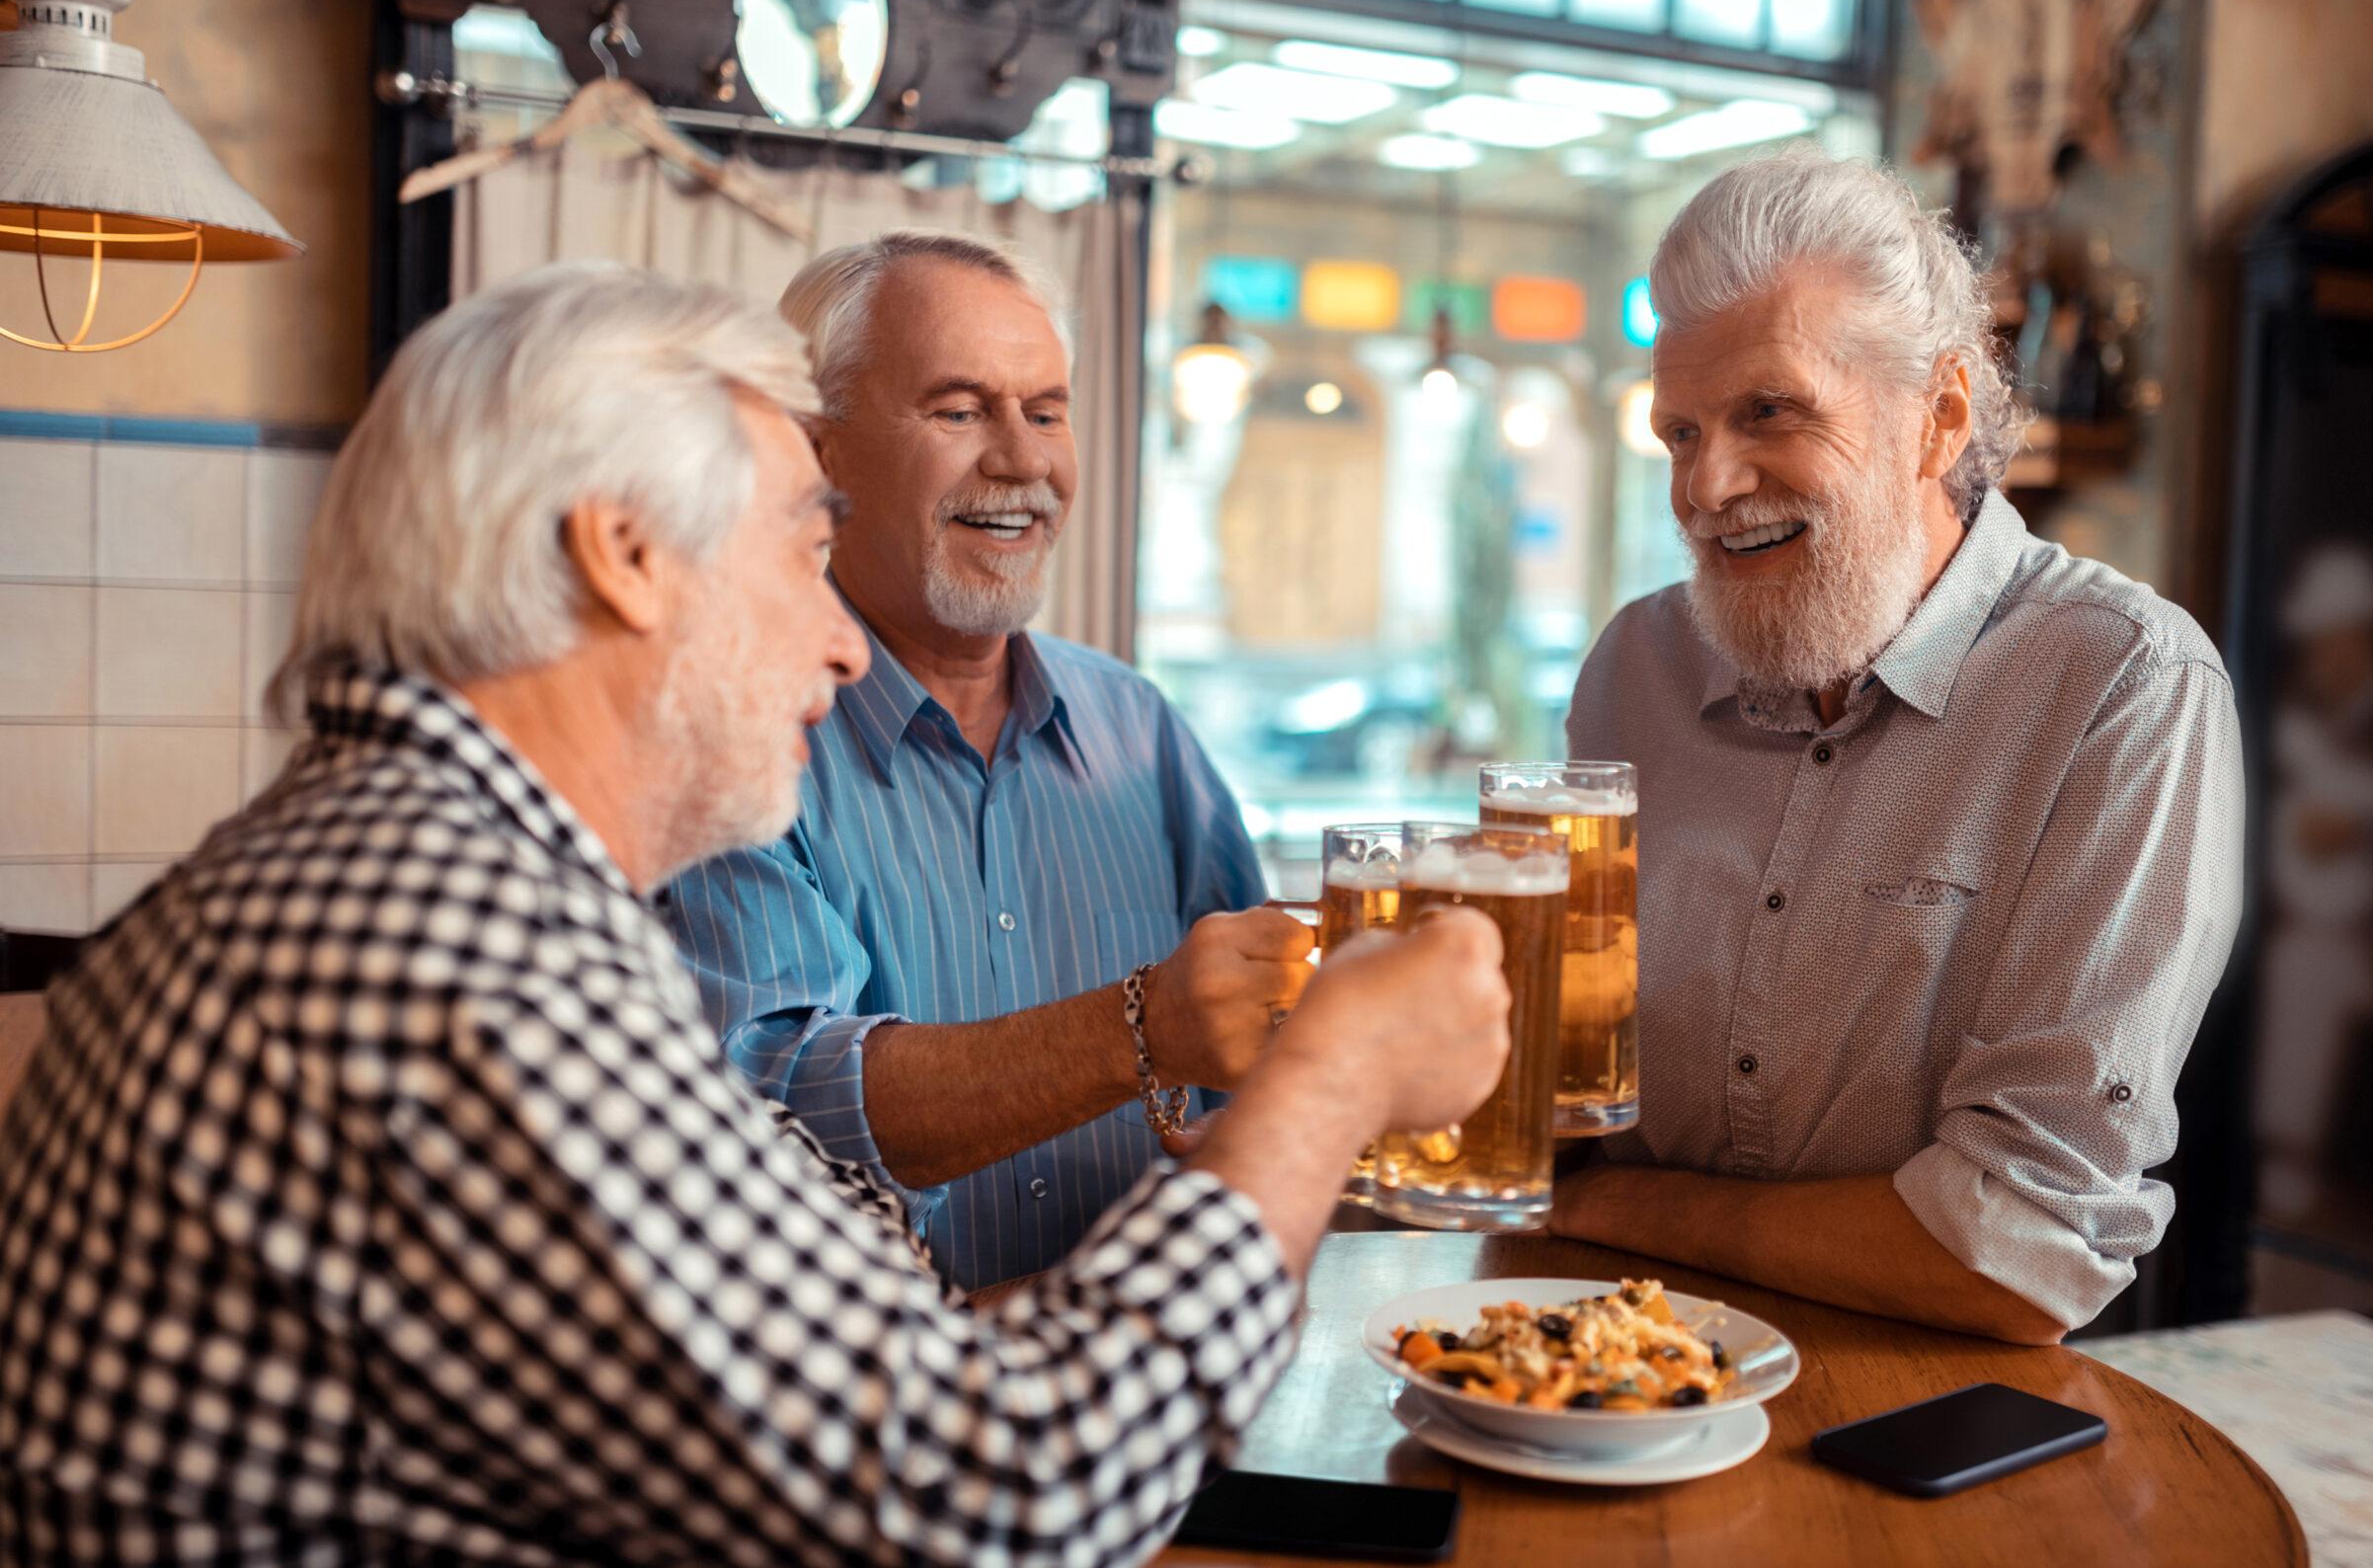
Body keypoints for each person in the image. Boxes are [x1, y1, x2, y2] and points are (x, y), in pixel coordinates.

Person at [0, 265, 1512, 1563]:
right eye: (803, 544)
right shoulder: (438, 947)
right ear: (627, 553)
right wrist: (1333, 1079)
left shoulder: (419, 874)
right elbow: (1006, 1503)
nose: (841, 645)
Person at [1558, 152, 2245, 1343]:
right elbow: (1569, 1100)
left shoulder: (2123, 682)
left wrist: (1621, 1210)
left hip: (1927, 1424)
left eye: (1768, 412)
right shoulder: (1636, 669)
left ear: (1937, 420)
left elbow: (2015, 1252)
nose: (1705, 486)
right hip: (1608, 1382)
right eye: (1678, 431)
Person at [662, 232, 1311, 1292]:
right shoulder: (735, 735)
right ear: (815, 453)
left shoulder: (1137, 729)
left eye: (1045, 412)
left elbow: (1262, 1057)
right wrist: (1143, 1029)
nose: (1022, 462)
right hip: (887, 1425)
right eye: (959, 411)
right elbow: (771, 1097)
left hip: (1171, 1405)